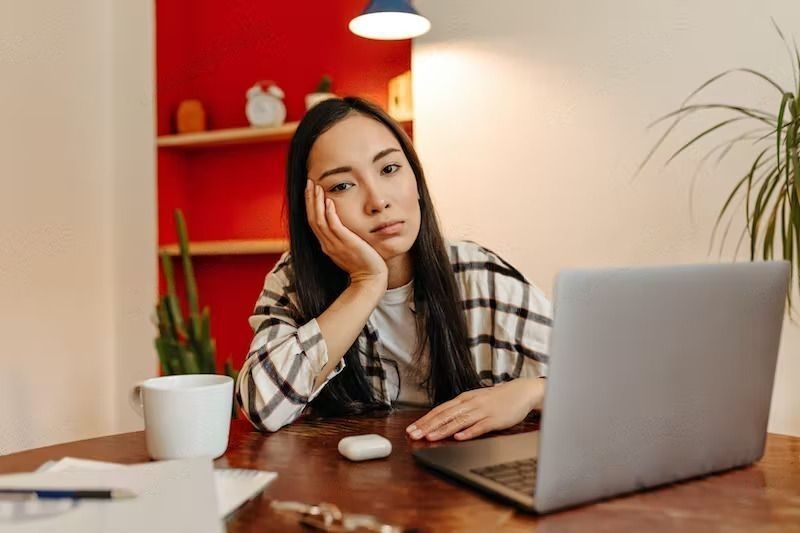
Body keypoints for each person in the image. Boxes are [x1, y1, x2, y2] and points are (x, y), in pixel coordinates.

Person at [235, 96, 552, 442]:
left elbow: (604, 384)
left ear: (415, 179)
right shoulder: (294, 281)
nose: (378, 201)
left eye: (389, 169)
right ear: (310, 208)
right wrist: (366, 284)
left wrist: (532, 393)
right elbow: (260, 406)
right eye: (342, 185)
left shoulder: (481, 277)